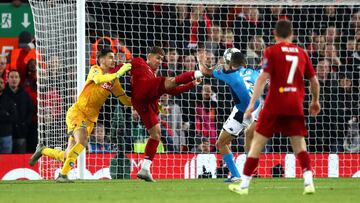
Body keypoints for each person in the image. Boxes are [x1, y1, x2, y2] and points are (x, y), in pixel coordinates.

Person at [228, 20, 320, 195]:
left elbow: (262, 79)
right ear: (292, 34)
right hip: (295, 103)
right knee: (299, 143)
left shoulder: (271, 51)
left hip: (275, 103)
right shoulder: (301, 53)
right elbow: (314, 81)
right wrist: (315, 101)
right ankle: (309, 182)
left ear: (275, 34)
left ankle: (244, 186)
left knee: (257, 143)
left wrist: (250, 104)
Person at [29, 49, 132, 182]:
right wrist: (118, 73)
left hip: (90, 119)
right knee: (82, 141)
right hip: (78, 113)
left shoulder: (113, 81)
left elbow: (124, 99)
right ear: (101, 60)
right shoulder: (95, 70)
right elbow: (99, 79)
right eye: (110, 57)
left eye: (114, 57)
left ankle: (43, 150)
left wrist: (143, 101)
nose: (114, 60)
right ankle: (63, 175)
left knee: (68, 155)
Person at [131, 46, 204, 182]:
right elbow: (126, 66)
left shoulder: (153, 74)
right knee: (168, 80)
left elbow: (173, 91)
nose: (159, 61)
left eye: (161, 59)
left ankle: (145, 168)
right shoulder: (140, 62)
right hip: (142, 96)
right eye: (157, 58)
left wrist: (191, 85)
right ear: (149, 56)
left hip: (147, 104)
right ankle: (197, 72)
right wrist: (113, 74)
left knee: (156, 134)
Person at [199, 51, 260, 182]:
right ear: (245, 63)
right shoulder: (256, 73)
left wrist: (200, 59)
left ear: (230, 64)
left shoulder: (230, 74)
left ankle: (239, 173)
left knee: (221, 143)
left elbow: (205, 71)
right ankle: (247, 169)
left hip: (243, 111)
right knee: (248, 136)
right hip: (257, 109)